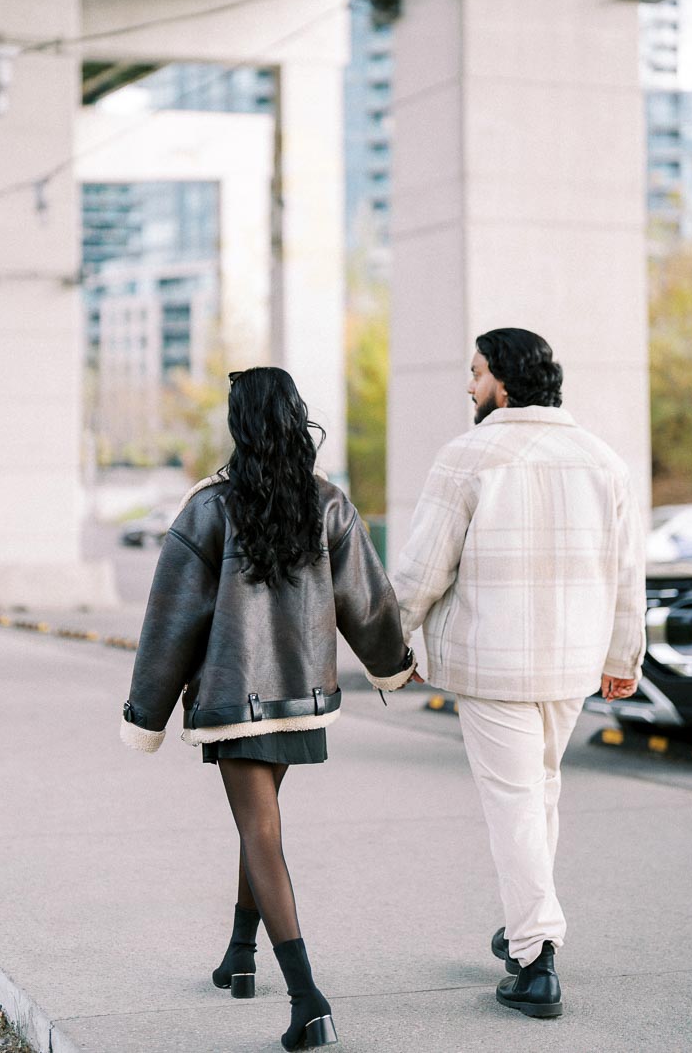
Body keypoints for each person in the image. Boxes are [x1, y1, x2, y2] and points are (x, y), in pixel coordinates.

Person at [120, 366, 416, 1050]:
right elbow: (367, 601)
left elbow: (171, 620)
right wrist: (392, 662)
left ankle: (309, 1000)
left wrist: (146, 712)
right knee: (262, 828)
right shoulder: (326, 502)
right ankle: (239, 956)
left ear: (240, 423)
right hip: (302, 699)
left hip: (234, 699)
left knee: (260, 833)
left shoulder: (209, 507)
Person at [393, 328, 645, 1020]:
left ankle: (536, 959)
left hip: (493, 661)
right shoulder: (601, 458)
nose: (468, 385)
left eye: (475, 372)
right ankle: (524, 926)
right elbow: (627, 575)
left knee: (514, 803)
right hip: (571, 664)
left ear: (502, 380)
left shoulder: (469, 455)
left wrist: (391, 649)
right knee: (540, 794)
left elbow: (421, 570)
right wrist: (624, 658)